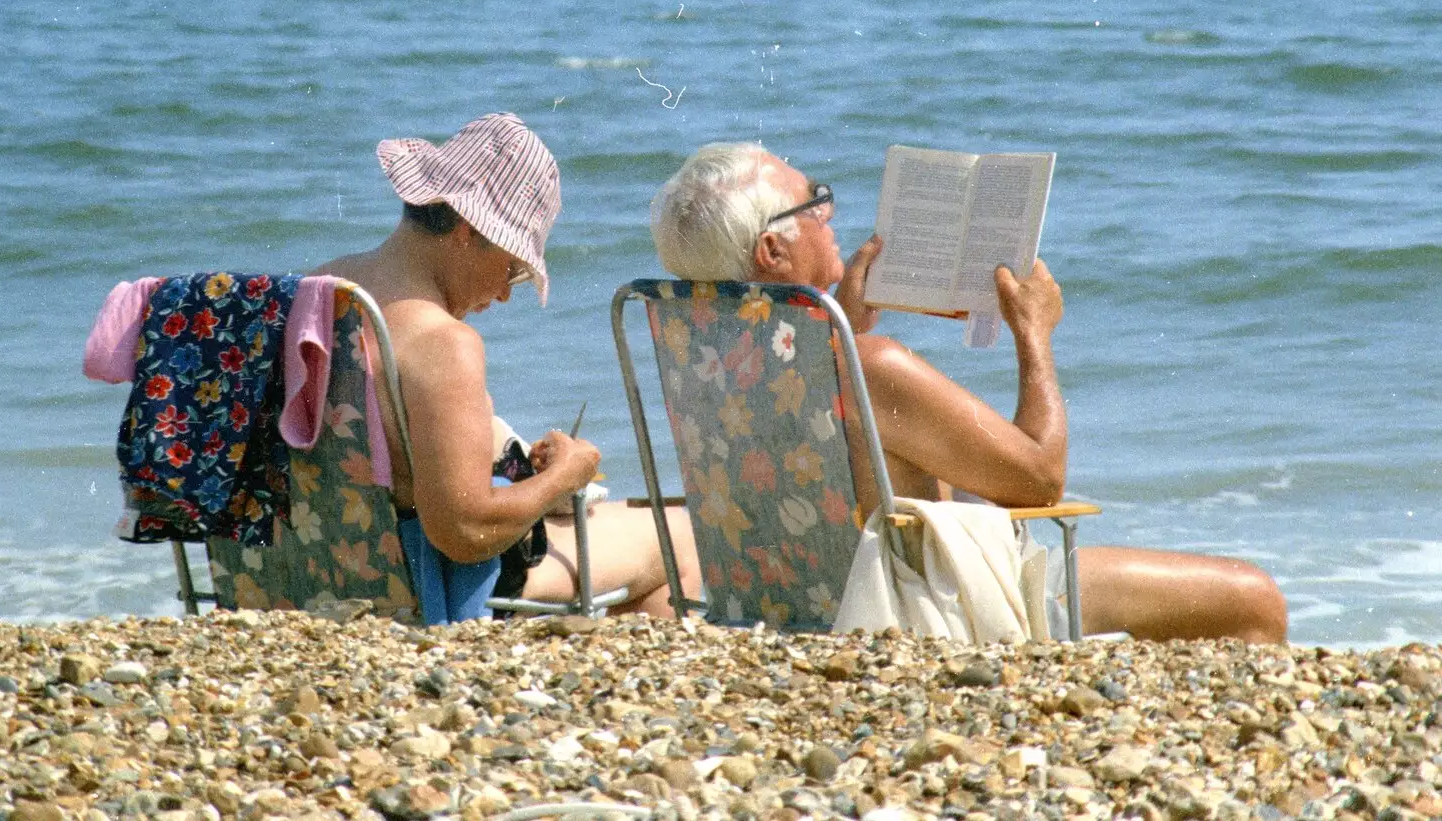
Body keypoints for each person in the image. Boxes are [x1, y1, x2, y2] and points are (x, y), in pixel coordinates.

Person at [649, 142, 1287, 643]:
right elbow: (1039, 480)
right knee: (1253, 598)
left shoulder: (711, 356)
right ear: (772, 250)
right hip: (928, 603)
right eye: (812, 204)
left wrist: (844, 321)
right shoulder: (865, 367)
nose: (829, 212)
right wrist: (1033, 333)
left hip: (791, 603)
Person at [315, 112, 700, 620]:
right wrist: (564, 477)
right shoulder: (441, 341)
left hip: (318, 572)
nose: (502, 292)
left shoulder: (321, 287)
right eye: (514, 267)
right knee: (679, 538)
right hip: (421, 584)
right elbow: (463, 532)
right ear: (468, 231)